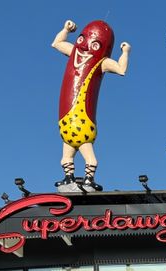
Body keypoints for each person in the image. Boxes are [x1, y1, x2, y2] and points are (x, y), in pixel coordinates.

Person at [51, 20, 131, 192]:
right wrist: (65, 30)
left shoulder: (101, 62)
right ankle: (69, 179)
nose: (86, 47)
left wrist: (125, 52)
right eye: (82, 40)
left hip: (83, 123)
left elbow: (121, 69)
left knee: (89, 158)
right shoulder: (74, 51)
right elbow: (56, 43)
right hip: (68, 121)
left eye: (93, 44)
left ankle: (87, 180)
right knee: (67, 156)